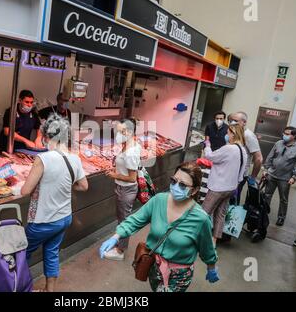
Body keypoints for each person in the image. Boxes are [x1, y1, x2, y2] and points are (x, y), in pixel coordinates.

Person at [99, 162, 219, 292]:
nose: (175, 187)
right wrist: (116, 236)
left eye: (183, 185)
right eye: (173, 181)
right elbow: (135, 220)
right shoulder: (159, 200)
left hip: (178, 276)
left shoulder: (200, 219)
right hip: (154, 268)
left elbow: (207, 248)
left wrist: (211, 267)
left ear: (194, 190)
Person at [21, 114, 88, 292]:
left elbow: (25, 191)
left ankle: (23, 288)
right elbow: (83, 186)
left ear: (48, 137)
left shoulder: (43, 159)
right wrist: (64, 185)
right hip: (64, 218)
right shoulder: (75, 159)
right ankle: (50, 290)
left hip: (43, 221)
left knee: (22, 254)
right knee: (51, 253)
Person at [103, 118, 142, 261]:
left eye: (121, 131)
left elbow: (132, 178)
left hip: (126, 190)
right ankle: (119, 244)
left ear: (130, 132)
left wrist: (115, 175)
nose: (117, 134)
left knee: (124, 221)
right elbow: (126, 169)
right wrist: (116, 169)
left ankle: (120, 251)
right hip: (122, 188)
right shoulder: (128, 145)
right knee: (121, 219)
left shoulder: (130, 151)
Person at [202, 124, 247, 244]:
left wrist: (207, 145)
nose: (226, 135)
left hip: (218, 187)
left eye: (228, 133)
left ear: (233, 134)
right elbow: (242, 172)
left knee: (204, 212)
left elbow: (210, 156)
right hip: (231, 188)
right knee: (220, 214)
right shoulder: (243, 150)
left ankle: (196, 236)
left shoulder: (229, 148)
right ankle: (214, 240)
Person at [263, 126, 296, 226]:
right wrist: (265, 169)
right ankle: (264, 212)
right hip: (272, 175)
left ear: (294, 136)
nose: (284, 135)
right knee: (267, 195)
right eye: (284, 133)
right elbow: (270, 157)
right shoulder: (278, 143)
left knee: (283, 199)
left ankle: (281, 218)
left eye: (287, 134)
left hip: (285, 179)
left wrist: (294, 177)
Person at [228, 112, 263, 202]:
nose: (232, 123)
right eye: (231, 120)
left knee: (233, 200)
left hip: (239, 175)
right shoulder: (233, 132)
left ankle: (232, 215)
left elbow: (258, 158)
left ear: (244, 122)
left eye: (235, 121)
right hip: (229, 172)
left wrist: (253, 177)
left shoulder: (248, 135)